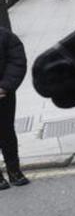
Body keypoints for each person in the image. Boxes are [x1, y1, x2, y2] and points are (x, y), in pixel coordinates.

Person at [0, 26, 27, 188]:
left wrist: (5, 86)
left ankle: (14, 171)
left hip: (3, 95)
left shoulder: (5, 36)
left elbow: (17, 61)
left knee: (7, 132)